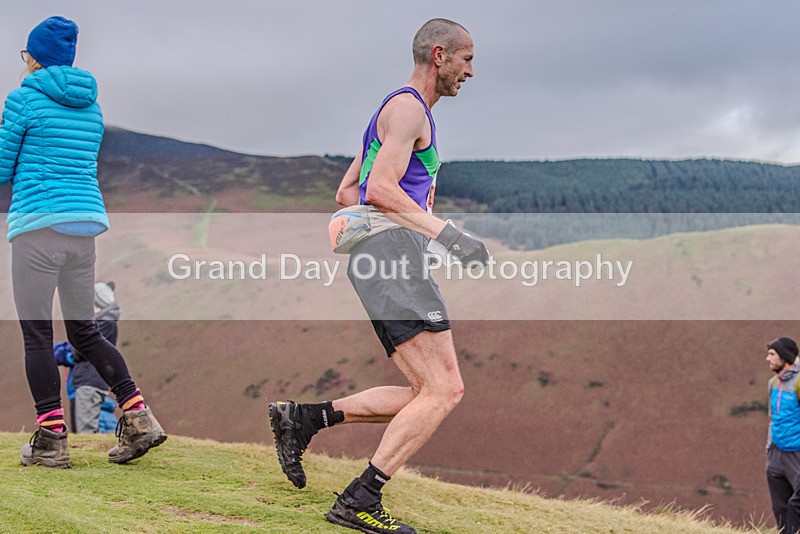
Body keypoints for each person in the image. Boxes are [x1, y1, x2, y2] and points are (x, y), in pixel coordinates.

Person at [269, 18, 488, 533]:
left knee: (425, 391)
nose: (471, 71)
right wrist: (449, 235)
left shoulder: (390, 112)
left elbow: (349, 191)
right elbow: (379, 190)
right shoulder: (410, 109)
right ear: (439, 55)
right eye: (467, 59)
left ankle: (304, 420)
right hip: (392, 256)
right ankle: (359, 500)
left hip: (379, 257)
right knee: (446, 390)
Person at [0, 16, 166, 468]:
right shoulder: (91, 107)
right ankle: (139, 417)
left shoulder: (23, 101)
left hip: (37, 229)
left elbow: (1, 168)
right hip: (82, 230)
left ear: (33, 57)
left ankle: (51, 440)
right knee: (84, 331)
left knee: (36, 334)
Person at [54, 282, 122, 434]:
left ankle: (93, 455)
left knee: (87, 431)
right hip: (87, 381)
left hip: (90, 382)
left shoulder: (105, 324)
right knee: (84, 428)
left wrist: (64, 353)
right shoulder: (103, 323)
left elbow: (81, 350)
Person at [765, 337, 800, 534]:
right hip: (775, 454)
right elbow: (772, 418)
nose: (767, 358)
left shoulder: (799, 383)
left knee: (797, 504)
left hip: (796, 453)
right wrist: (769, 448)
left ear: (784, 357)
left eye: (772, 354)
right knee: (780, 508)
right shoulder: (772, 383)